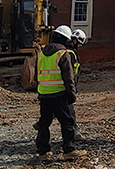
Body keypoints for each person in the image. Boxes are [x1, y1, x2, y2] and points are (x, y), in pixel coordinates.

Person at [35, 25, 86, 161]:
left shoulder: (41, 54)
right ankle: (69, 150)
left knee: (44, 123)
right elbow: (68, 77)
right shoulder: (63, 54)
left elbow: (36, 76)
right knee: (67, 122)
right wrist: (72, 95)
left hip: (44, 94)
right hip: (59, 94)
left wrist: (41, 90)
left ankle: (43, 152)